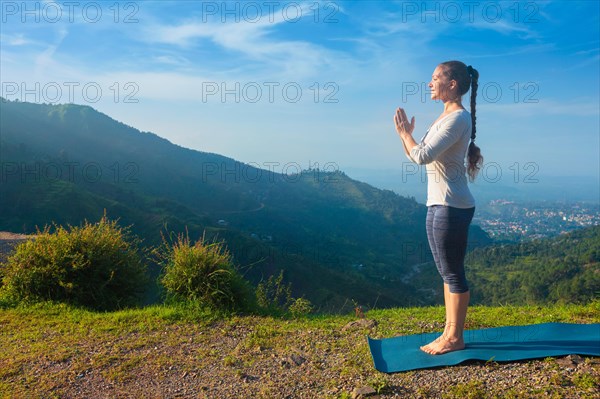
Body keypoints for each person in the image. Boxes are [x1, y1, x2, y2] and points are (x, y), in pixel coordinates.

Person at [393, 60, 483, 355]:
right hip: (438, 203)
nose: (429, 83)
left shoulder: (458, 119)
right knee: (446, 271)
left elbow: (421, 156)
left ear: (452, 84)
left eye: (435, 78)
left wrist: (407, 134)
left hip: (452, 206)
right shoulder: (444, 118)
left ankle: (455, 337)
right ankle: (449, 331)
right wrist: (405, 137)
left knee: (453, 272)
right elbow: (419, 156)